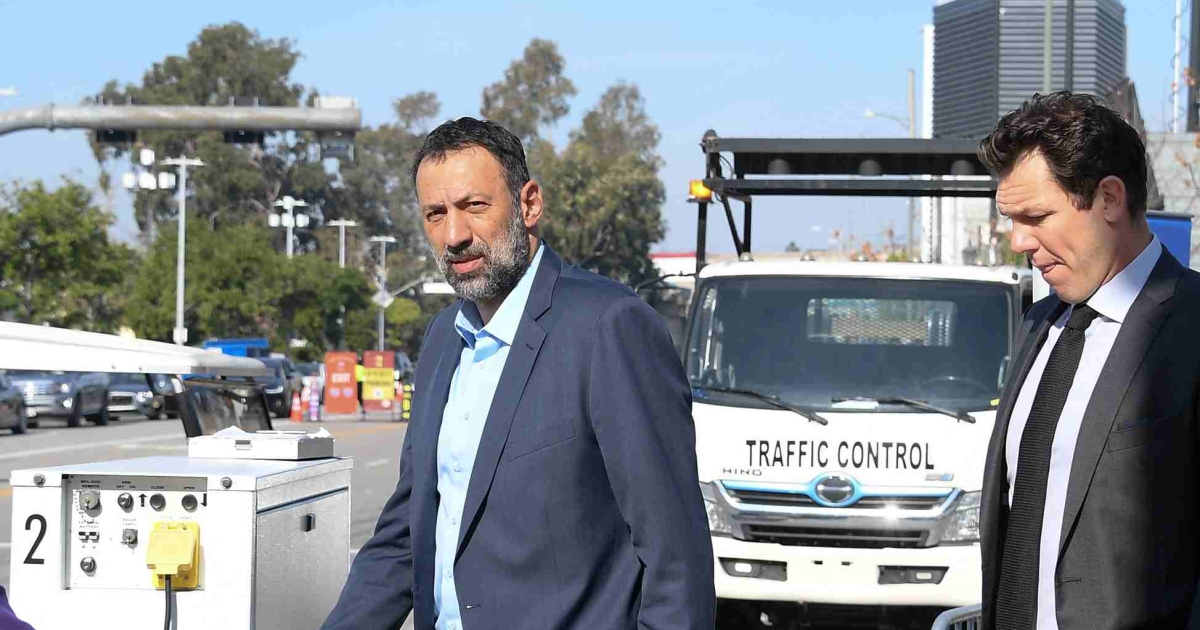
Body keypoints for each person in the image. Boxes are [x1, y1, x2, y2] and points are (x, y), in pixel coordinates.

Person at [320, 117, 715, 630]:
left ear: (529, 204)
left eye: (473, 206)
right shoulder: (443, 337)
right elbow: (406, 534)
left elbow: (676, 557)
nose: (454, 235)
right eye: (436, 214)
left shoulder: (608, 326)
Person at [978, 91, 1200, 630]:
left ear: (1109, 198)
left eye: (1036, 216)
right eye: (1011, 219)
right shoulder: (1038, 323)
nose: (1018, 241)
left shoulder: (1192, 324)